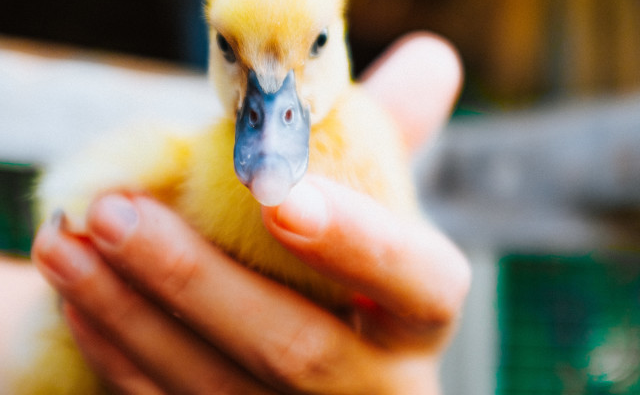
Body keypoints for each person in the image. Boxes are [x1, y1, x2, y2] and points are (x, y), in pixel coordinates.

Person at [0, 33, 470, 394]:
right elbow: (68, 205)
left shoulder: (367, 141)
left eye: (317, 43)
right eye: (231, 48)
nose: (270, 123)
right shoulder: (182, 162)